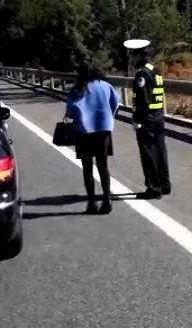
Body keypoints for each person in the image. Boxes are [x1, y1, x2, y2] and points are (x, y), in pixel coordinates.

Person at [64, 62, 120, 214]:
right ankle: (107, 200)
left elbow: (70, 112)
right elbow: (115, 103)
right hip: (103, 130)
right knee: (103, 166)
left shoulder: (77, 89)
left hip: (83, 132)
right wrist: (108, 117)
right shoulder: (105, 86)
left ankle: (91, 203)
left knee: (87, 168)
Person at [124, 39, 171, 199]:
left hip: (146, 120)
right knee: (160, 152)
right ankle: (164, 184)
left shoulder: (142, 73)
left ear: (139, 55)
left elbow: (142, 99)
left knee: (149, 154)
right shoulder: (155, 69)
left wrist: (137, 119)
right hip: (158, 117)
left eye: (133, 56)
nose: (132, 59)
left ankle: (153, 188)